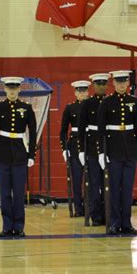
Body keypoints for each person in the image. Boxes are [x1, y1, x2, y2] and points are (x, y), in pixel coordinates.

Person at [0, 77, 36, 238]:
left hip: (20, 154)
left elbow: (33, 133)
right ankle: (7, 226)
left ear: (19, 89)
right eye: (10, 88)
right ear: (5, 89)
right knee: (5, 193)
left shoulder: (26, 108)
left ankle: (19, 226)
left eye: (15, 88)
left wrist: (31, 155)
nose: (13, 91)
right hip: (2, 155)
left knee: (19, 193)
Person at [97, 70, 137, 235]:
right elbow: (101, 129)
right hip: (114, 151)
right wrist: (101, 153)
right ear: (114, 84)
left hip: (130, 151)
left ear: (128, 83)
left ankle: (126, 222)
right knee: (115, 188)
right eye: (119, 82)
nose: (122, 84)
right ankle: (115, 223)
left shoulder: (134, 101)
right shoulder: (107, 102)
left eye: (125, 81)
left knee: (127, 189)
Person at [78, 73, 110, 226]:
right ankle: (96, 215)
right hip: (92, 148)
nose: (101, 87)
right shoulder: (87, 103)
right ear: (93, 86)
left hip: (110, 148)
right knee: (94, 183)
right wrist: (81, 150)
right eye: (98, 84)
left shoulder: (111, 102)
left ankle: (108, 214)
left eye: (104, 84)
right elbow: (81, 129)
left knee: (109, 184)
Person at [59, 80, 91, 217]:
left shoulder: (94, 106)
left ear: (88, 92)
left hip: (90, 144)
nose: (82, 93)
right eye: (80, 91)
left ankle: (91, 207)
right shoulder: (70, 108)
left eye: (84, 90)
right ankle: (79, 208)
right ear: (75, 93)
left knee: (92, 179)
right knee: (77, 179)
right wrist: (64, 148)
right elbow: (63, 130)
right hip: (75, 145)